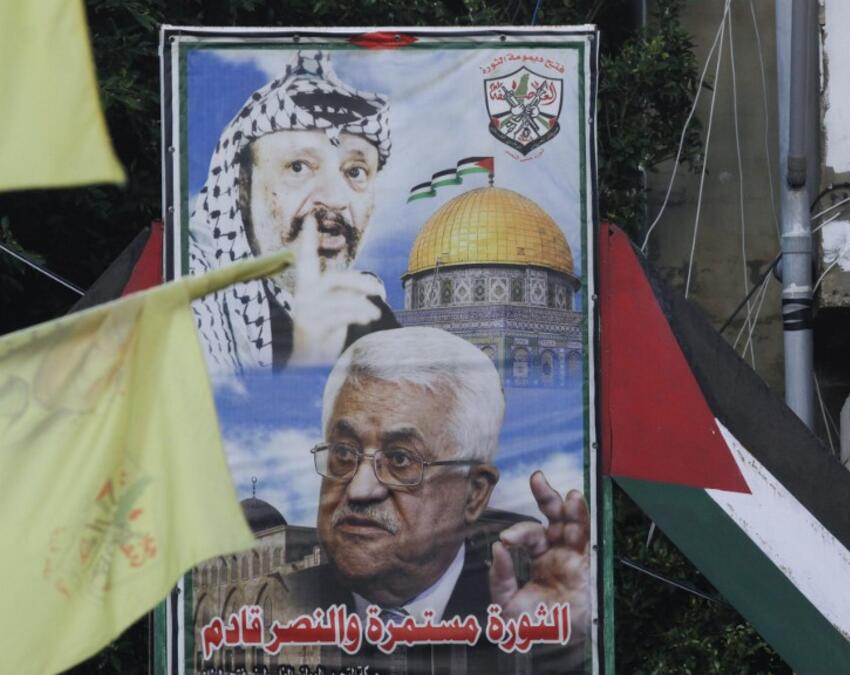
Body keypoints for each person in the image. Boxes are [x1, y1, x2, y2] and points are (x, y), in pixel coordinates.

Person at [283, 327, 589, 673]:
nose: (359, 489)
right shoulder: (276, 607)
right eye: (343, 452)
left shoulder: (523, 614)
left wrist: (567, 647)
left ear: (474, 494)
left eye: (400, 460)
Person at [189, 51, 398, 372]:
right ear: (242, 186)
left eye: (355, 172)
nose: (334, 198)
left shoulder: (370, 318)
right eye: (299, 167)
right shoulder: (184, 290)